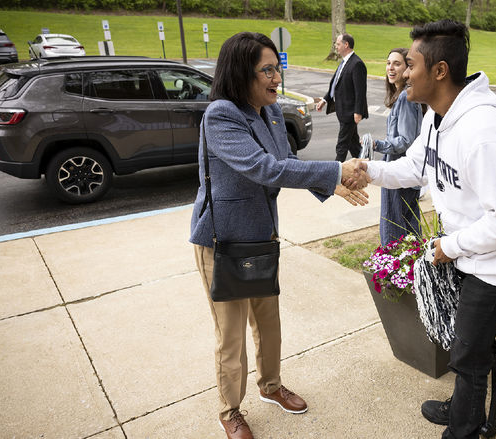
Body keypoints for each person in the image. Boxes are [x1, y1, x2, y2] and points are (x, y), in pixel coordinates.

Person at [354, 20, 496, 439]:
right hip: (470, 252)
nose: (403, 72)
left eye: (412, 64)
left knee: (469, 353)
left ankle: (465, 429)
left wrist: (449, 247)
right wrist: (368, 171)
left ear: (439, 71)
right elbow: (413, 168)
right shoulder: (437, 119)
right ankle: (462, 406)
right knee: (462, 342)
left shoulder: (482, 132)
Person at [189, 32, 368, 439]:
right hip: (222, 242)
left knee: (268, 322)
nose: (276, 77)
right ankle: (230, 410)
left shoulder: (268, 112)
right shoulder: (222, 115)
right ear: (241, 72)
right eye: (266, 70)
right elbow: (264, 168)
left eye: (277, 68)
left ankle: (270, 386)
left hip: (261, 235)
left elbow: (286, 161)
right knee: (230, 335)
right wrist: (336, 170)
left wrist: (331, 186)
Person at [374, 47, 424, 246]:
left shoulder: (405, 98)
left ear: (407, 70)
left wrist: (378, 144)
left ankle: (397, 273)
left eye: (397, 63)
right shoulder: (402, 96)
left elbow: (405, 141)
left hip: (400, 176)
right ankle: (410, 271)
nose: (391, 68)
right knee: (408, 230)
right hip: (403, 175)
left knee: (396, 232)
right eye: (388, 63)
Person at [315, 33, 369, 162]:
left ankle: (336, 173)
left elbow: (360, 91)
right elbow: (335, 84)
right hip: (342, 111)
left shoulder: (357, 64)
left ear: (346, 45)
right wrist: (324, 100)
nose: (336, 46)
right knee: (353, 144)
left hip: (350, 112)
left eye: (338, 44)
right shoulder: (344, 62)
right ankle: (367, 166)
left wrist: (358, 111)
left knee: (342, 145)